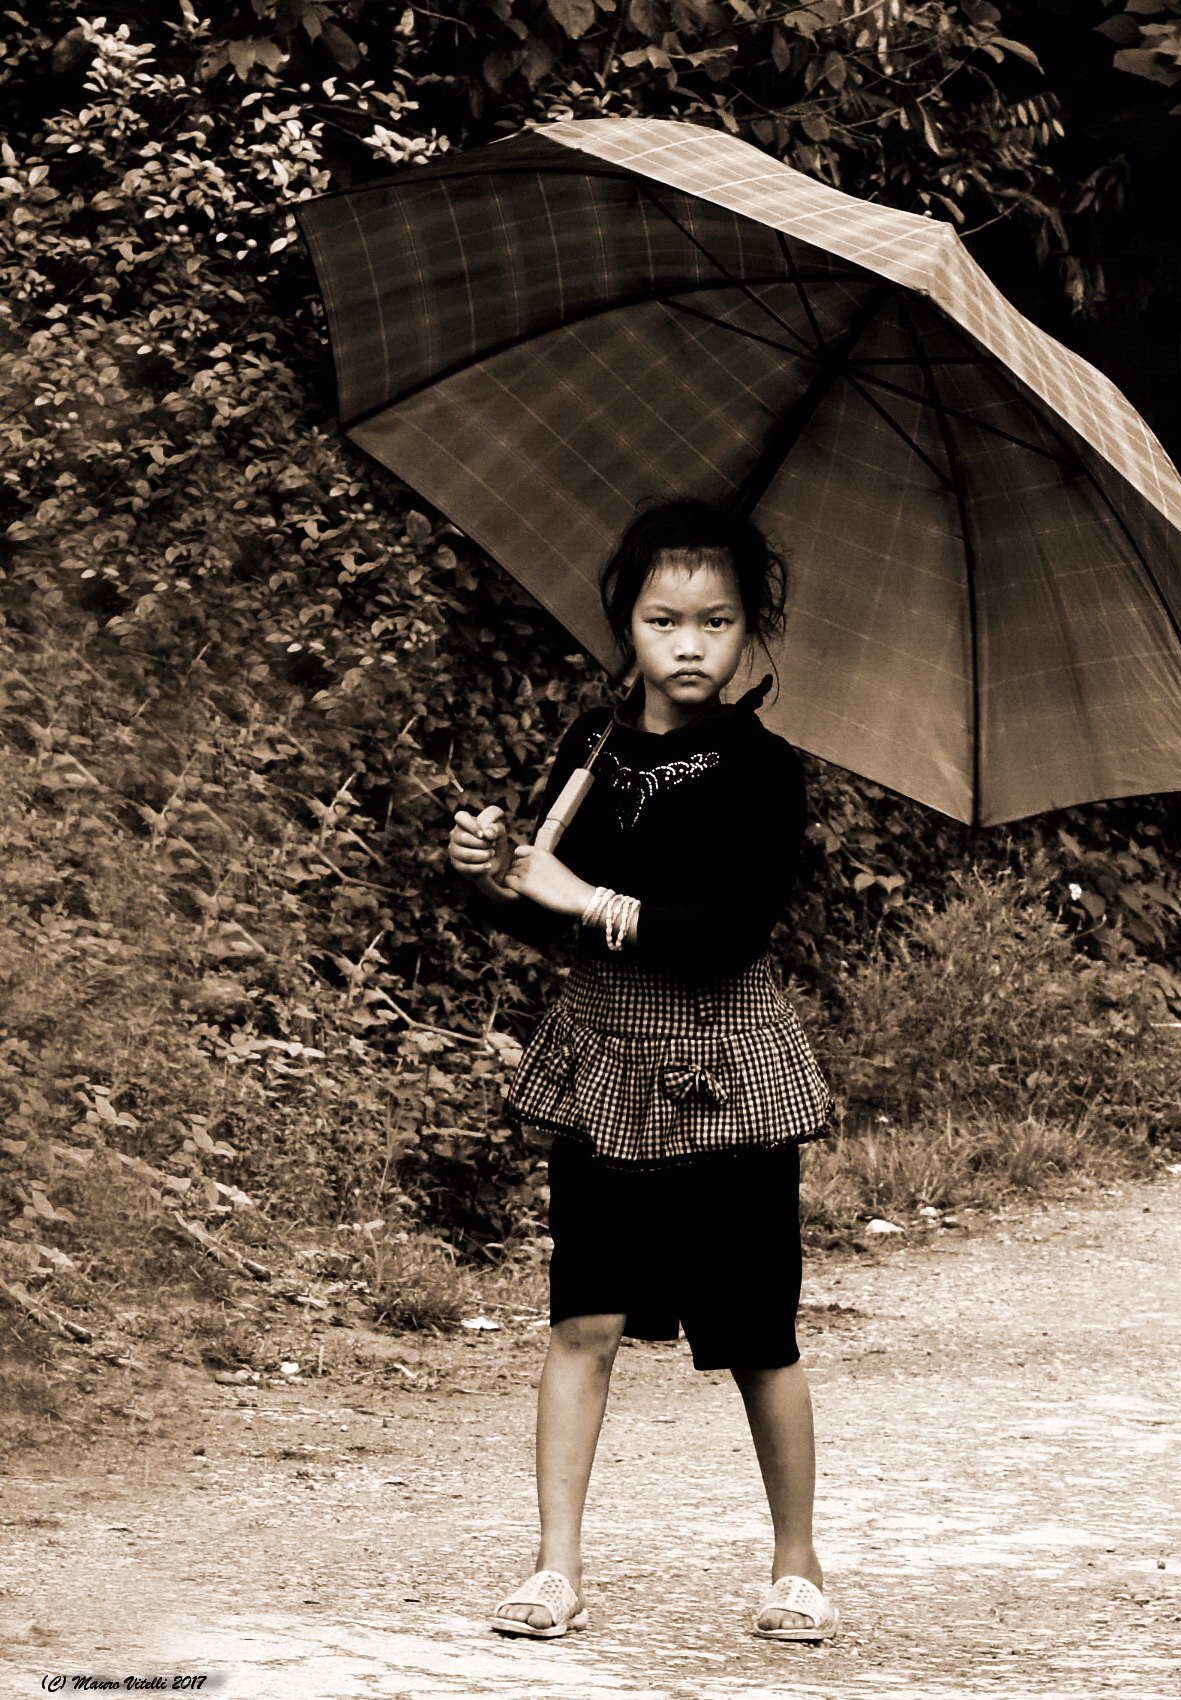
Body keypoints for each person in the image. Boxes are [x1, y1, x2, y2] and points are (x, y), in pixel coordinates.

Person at [447, 498, 837, 1644]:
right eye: (665, 619)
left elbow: (726, 932)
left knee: (757, 1332)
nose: (690, 643)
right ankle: (554, 1569)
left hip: (728, 1073)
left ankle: (797, 1564)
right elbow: (540, 909)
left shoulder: (762, 770)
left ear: (748, 629)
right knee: (584, 1317)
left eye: (717, 621)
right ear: (626, 621)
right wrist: (490, 872)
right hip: (605, 1063)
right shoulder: (592, 747)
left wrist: (583, 897)